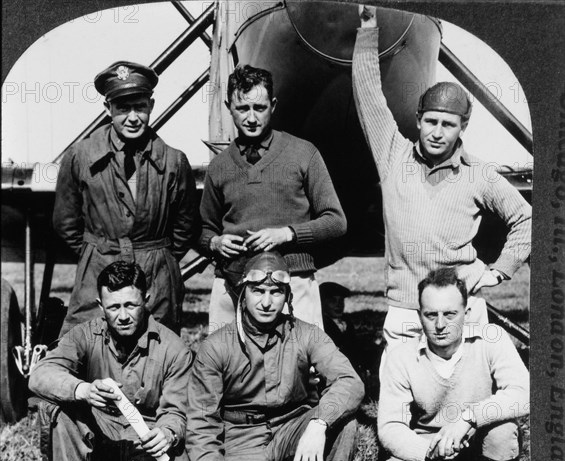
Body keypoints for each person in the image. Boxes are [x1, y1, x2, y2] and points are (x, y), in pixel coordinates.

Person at [352, 7, 531, 350]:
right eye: (431, 121)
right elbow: (368, 92)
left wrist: (500, 270)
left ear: (463, 127)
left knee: (465, 400)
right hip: (406, 311)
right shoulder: (392, 154)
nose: (437, 132)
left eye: (448, 124)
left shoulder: (479, 173)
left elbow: (527, 218)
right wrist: (367, 29)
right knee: (400, 402)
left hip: (461, 308)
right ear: (418, 119)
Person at [185, 251, 364, 461]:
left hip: (293, 428)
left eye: (276, 292)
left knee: (344, 422)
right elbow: (202, 425)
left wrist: (319, 424)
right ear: (243, 292)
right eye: (258, 291)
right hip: (241, 438)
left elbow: (350, 382)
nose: (266, 302)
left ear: (287, 296)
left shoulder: (307, 334)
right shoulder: (216, 346)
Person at [28, 261, 198, 461]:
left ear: (147, 300)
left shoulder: (174, 349)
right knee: (55, 409)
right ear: (100, 306)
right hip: (97, 432)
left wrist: (167, 433)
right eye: (114, 307)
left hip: (144, 440)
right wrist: (82, 390)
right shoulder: (84, 335)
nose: (123, 315)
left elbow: (178, 411)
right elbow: (40, 374)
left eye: (131, 305)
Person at [377, 267, 529, 461]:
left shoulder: (491, 338)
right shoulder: (401, 357)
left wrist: (469, 418)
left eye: (450, 314)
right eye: (431, 314)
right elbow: (390, 426)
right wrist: (427, 450)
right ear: (418, 315)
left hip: (477, 440)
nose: (440, 324)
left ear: (467, 313)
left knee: (504, 431)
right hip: (430, 446)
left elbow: (523, 393)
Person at [54, 61, 200, 336]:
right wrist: (98, 252)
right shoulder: (80, 157)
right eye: (123, 108)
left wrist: (156, 256)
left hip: (156, 277)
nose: (133, 117)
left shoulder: (174, 161)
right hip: (97, 271)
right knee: (86, 348)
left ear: (151, 106)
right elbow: (66, 222)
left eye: (140, 106)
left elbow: (186, 226)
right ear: (108, 109)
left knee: (157, 356)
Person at [199, 64, 347, 331]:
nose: (252, 118)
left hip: (293, 281)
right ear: (228, 107)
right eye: (243, 109)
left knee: (300, 366)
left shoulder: (303, 154)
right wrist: (215, 242)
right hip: (232, 282)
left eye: (260, 108)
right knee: (226, 366)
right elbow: (203, 229)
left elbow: (336, 221)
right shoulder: (219, 166)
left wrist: (287, 234)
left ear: (274, 105)